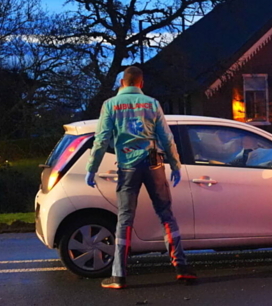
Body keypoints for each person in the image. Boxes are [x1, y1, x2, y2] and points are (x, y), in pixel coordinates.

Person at [84, 65, 196, 289]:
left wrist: (92, 168)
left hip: (127, 166)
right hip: (153, 163)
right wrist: (175, 165)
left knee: (125, 219)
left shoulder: (111, 105)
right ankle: (181, 267)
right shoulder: (152, 104)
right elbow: (166, 137)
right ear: (141, 83)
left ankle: (119, 275)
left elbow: (102, 139)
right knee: (166, 214)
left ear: (122, 83)